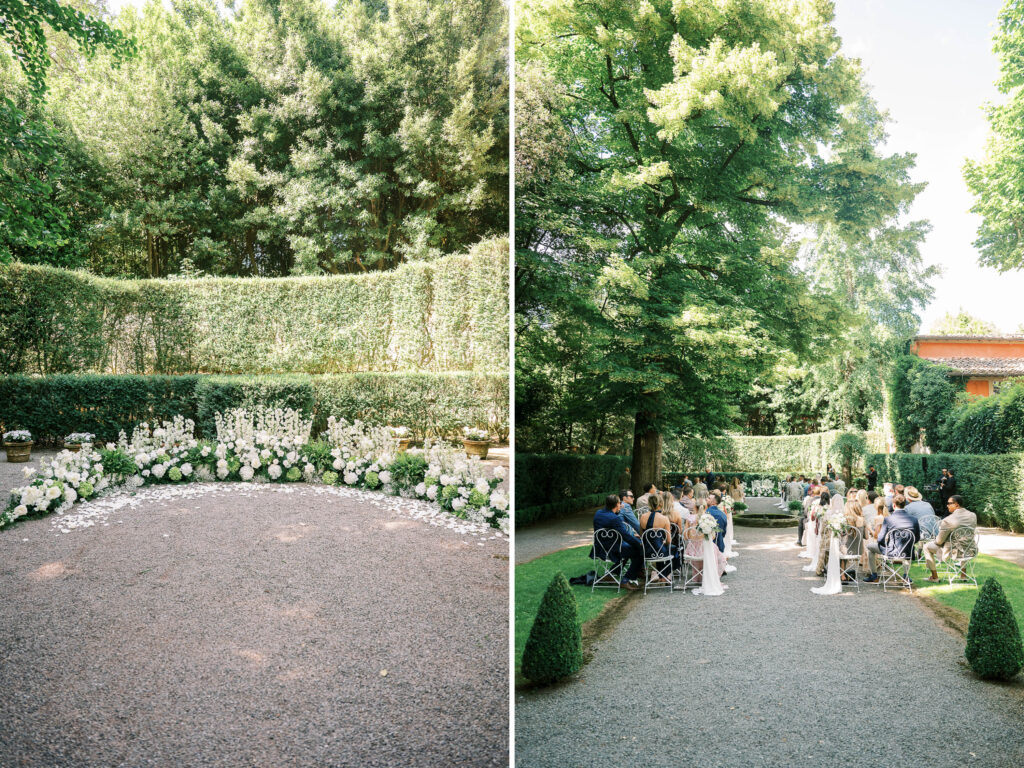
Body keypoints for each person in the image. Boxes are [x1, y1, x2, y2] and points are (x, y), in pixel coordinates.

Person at [863, 494, 919, 583]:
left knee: (870, 547)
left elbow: (880, 539)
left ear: (893, 505)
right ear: (905, 505)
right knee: (908, 547)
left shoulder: (888, 519)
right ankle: (906, 575)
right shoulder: (914, 519)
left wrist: (887, 545)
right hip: (907, 552)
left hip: (891, 552)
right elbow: (917, 538)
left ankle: (874, 575)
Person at [592, 494, 643, 590]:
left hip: (599, 548)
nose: (621, 505)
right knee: (640, 551)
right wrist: (639, 543)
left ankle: (612, 573)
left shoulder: (598, 513)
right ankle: (626, 580)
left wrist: (616, 510)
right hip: (612, 550)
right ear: (616, 505)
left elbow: (609, 521)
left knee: (628, 548)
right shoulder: (615, 519)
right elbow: (625, 536)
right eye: (620, 503)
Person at [923, 495, 977, 581]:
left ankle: (934, 577)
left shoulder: (948, 520)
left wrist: (937, 540)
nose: (947, 505)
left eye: (949, 503)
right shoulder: (973, 515)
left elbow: (939, 541)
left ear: (956, 504)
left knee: (926, 547)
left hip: (954, 552)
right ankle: (963, 576)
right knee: (963, 544)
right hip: (970, 550)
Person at [638, 495, 674, 584]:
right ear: (661, 503)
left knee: (659, 548)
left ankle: (660, 575)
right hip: (661, 553)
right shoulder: (664, 519)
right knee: (674, 550)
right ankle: (664, 576)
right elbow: (669, 541)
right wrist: (664, 542)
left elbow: (642, 536)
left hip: (647, 552)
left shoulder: (642, 517)